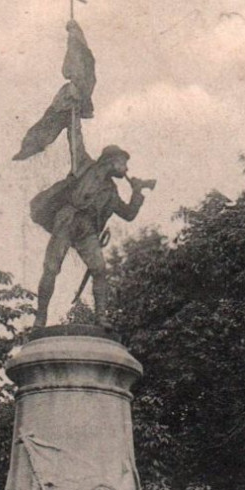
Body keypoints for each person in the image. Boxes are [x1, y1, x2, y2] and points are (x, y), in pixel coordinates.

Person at [31, 107, 150, 326]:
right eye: (124, 163)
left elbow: (128, 215)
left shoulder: (112, 191)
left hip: (87, 230)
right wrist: (74, 115)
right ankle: (40, 317)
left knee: (100, 270)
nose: (126, 168)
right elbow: (75, 139)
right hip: (67, 220)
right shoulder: (85, 165)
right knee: (51, 268)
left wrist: (137, 192)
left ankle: (101, 318)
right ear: (112, 160)